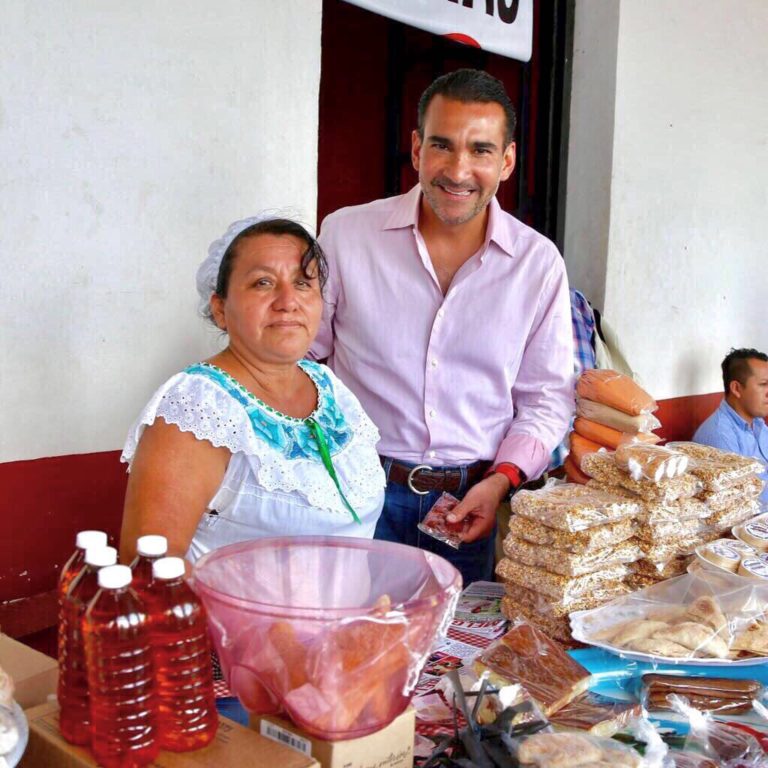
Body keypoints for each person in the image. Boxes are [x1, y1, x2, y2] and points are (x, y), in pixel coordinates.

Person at [309, 69, 574, 586]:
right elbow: (304, 362)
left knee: (450, 656)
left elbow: (547, 398)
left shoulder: (537, 264)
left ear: (507, 160)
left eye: (480, 150)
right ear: (415, 149)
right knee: (350, 648)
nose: (458, 170)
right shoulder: (346, 234)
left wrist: (501, 481)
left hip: (467, 506)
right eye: (442, 145)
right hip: (354, 493)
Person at [119, 216, 386, 565]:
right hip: (235, 622)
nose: (288, 301)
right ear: (220, 309)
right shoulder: (198, 407)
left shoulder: (328, 387)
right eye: (263, 283)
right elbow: (150, 569)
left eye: (304, 283)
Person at [693, 348, 768, 502]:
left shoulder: (758, 423)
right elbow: (740, 502)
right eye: (763, 384)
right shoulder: (720, 435)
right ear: (736, 389)